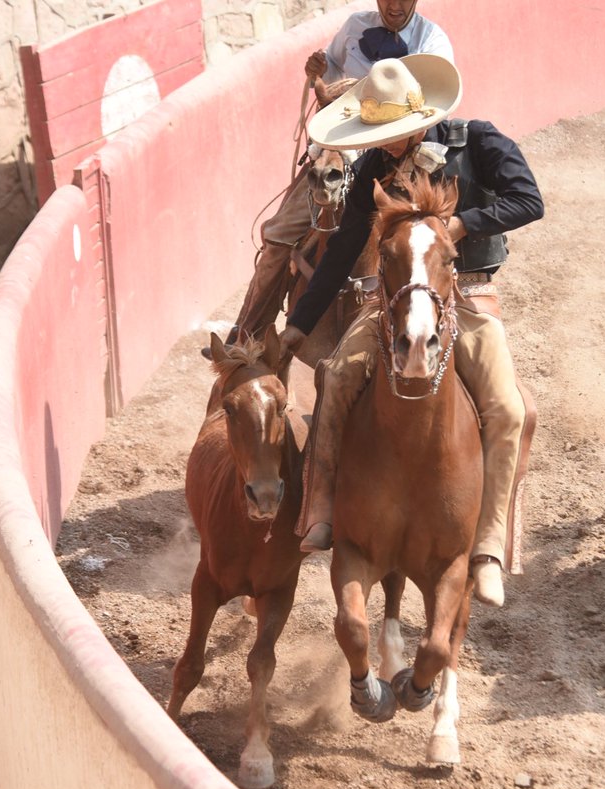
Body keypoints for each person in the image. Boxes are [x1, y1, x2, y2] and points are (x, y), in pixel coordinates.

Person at [278, 54, 544, 608]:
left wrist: (464, 222)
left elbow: (528, 200)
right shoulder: (373, 167)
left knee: (512, 411)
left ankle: (488, 546)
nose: (386, 143)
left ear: (420, 117)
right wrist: (299, 326)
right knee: (334, 380)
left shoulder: (479, 142)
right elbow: (344, 249)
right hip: (393, 303)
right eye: (379, 133)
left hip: (466, 293)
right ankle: (321, 508)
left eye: (394, 133)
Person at [220, 1, 454, 350]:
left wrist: (357, 88)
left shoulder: (432, 41)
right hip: (341, 143)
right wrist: (317, 71)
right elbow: (327, 76)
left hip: (398, 151)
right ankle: (248, 335)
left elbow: (429, 105)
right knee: (280, 232)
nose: (395, 4)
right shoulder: (354, 27)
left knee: (431, 236)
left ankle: (457, 324)